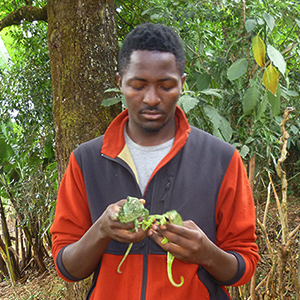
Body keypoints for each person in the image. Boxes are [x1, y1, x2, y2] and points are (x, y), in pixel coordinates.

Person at [50, 23, 259, 300]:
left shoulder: (221, 159)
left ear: (182, 83)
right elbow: (67, 267)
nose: (151, 99)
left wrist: (206, 253)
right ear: (120, 83)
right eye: (137, 86)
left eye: (166, 86)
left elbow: (244, 265)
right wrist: (101, 230)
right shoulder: (86, 161)